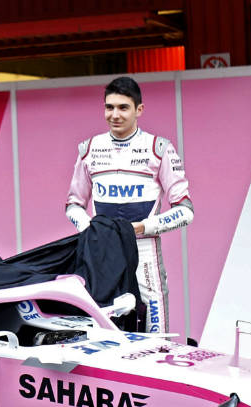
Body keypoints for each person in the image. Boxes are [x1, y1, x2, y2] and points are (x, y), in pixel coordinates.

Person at [66, 76, 194, 334]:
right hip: (103, 252)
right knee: (104, 322)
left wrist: (141, 228)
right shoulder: (89, 149)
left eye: (123, 107)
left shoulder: (159, 149)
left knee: (155, 330)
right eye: (109, 107)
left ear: (139, 110)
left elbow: (185, 211)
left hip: (145, 251)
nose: (115, 114)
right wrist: (92, 229)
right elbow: (73, 205)